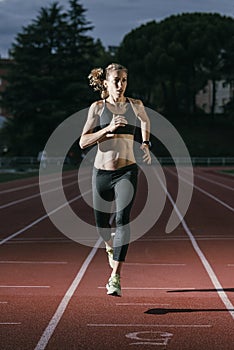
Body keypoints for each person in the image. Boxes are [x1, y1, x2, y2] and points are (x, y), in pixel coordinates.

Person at [79, 63, 151, 296]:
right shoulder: (98, 108)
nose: (120, 85)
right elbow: (83, 141)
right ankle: (110, 247)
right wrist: (107, 129)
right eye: (116, 80)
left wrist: (145, 143)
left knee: (122, 220)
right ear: (107, 83)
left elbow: (145, 121)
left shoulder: (135, 105)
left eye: (124, 80)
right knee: (102, 229)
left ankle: (115, 277)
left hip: (126, 172)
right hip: (101, 174)